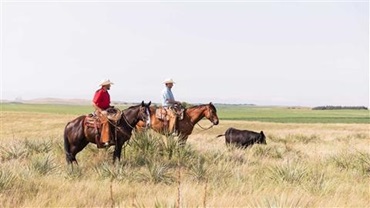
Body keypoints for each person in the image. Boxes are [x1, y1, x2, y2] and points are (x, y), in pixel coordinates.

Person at [92, 79, 114, 147]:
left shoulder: (107, 93)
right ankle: (105, 140)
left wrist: (111, 107)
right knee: (106, 121)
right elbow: (93, 103)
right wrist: (101, 111)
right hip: (100, 110)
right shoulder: (100, 92)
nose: (110, 85)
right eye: (109, 84)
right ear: (105, 85)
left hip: (106, 109)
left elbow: (106, 104)